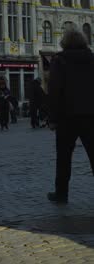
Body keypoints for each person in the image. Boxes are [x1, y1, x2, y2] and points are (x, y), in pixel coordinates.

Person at [47, 28, 94, 204]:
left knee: (64, 157)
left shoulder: (60, 60)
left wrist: (52, 118)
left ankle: (61, 194)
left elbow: (54, 90)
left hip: (67, 116)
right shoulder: (92, 59)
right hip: (91, 114)